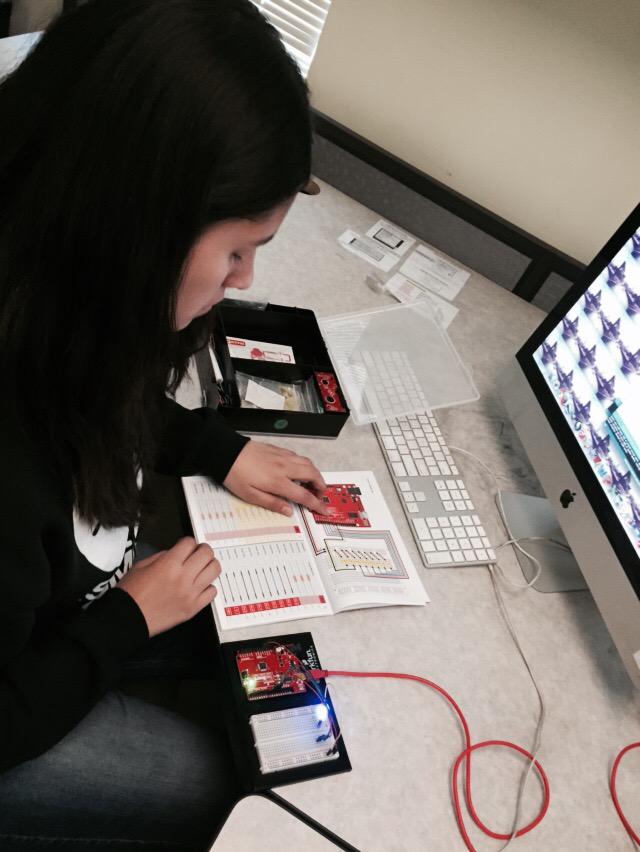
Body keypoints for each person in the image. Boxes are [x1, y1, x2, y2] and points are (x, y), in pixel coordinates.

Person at [0, 1, 329, 849]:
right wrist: (125, 621)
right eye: (236, 251)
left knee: (243, 635)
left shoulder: (55, 295)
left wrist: (218, 446)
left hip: (55, 613)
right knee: (216, 784)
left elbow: (98, 394)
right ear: (136, 226)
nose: (243, 279)